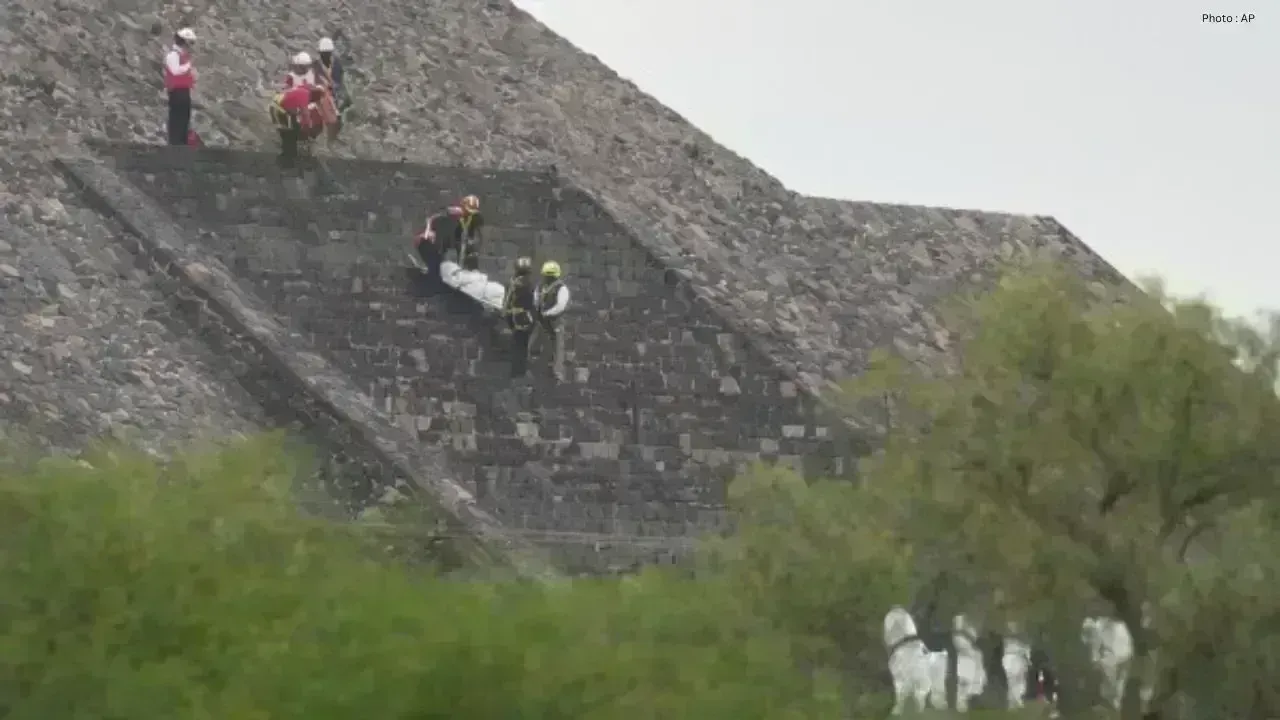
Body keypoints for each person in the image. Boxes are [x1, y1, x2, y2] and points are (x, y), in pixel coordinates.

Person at [413, 194, 484, 275]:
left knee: (467, 250)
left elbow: (476, 233)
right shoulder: (453, 213)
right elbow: (433, 219)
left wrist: (473, 242)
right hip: (445, 235)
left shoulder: (473, 218)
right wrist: (428, 230)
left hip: (458, 238)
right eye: (468, 210)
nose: (469, 213)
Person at [269, 85, 325, 160]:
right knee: (288, 132)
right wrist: (308, 128)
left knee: (294, 126)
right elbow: (306, 116)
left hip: (280, 102)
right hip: (277, 108)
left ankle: (289, 149)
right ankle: (287, 156)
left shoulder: (305, 90)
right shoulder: (305, 98)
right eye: (314, 101)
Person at [502, 257, 536, 377]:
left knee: (518, 344)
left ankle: (517, 370)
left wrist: (507, 314)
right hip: (524, 318)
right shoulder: (527, 284)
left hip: (514, 318)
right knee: (522, 345)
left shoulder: (512, 282)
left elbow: (507, 302)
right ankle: (520, 371)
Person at [163, 28, 197, 145]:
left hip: (184, 91)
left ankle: (182, 143)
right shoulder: (173, 55)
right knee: (176, 119)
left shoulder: (183, 56)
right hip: (176, 92)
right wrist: (188, 66)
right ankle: (175, 143)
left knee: (184, 118)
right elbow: (175, 70)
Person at [531, 260, 570, 360]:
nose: (548, 278)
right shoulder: (539, 287)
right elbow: (535, 301)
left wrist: (547, 313)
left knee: (557, 348)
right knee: (534, 344)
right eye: (547, 275)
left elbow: (560, 306)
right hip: (541, 322)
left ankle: (557, 374)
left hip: (556, 322)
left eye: (551, 275)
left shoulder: (562, 288)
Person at [315, 37, 349, 114]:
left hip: (335, 95)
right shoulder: (317, 65)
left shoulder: (336, 64)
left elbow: (339, 83)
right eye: (323, 54)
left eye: (326, 53)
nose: (324, 56)